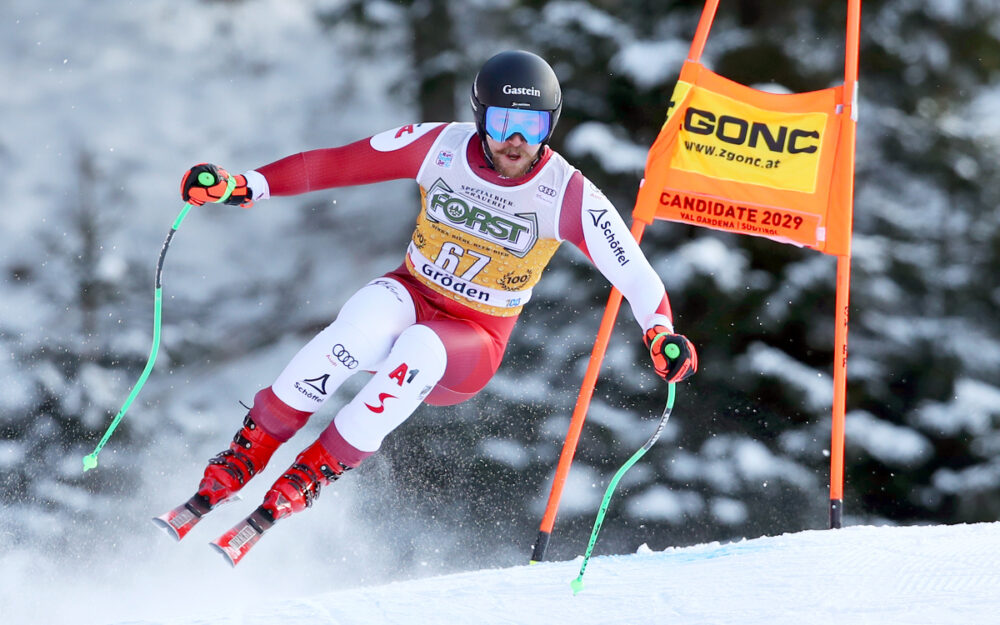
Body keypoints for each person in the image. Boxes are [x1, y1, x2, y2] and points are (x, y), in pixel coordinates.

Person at [170, 50, 697, 555]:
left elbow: (633, 270)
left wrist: (659, 332)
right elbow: (340, 164)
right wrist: (244, 186)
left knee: (420, 346)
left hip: (471, 343)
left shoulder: (566, 192)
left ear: (550, 128)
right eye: (501, 123)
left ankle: (309, 473)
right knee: (359, 323)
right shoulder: (440, 146)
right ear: (478, 118)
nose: (515, 141)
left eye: (532, 127)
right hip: (413, 291)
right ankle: (247, 454)